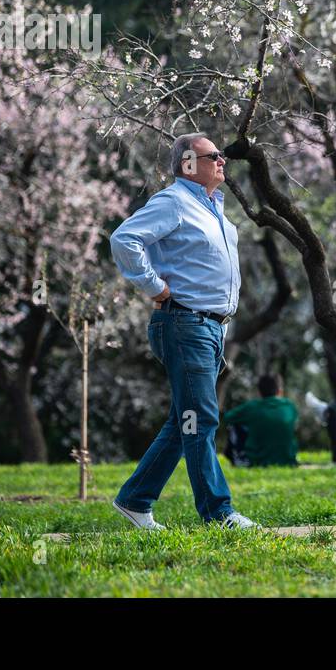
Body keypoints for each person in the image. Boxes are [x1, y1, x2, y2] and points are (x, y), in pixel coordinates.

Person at [108, 133, 257, 530]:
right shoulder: (174, 202)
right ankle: (218, 513)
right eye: (215, 156)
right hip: (183, 322)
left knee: (185, 419)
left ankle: (135, 500)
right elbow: (124, 239)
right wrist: (154, 286)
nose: (223, 160)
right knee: (202, 418)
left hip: (209, 327)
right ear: (189, 163)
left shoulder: (213, 208)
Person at [223, 373, 299, 467]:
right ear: (280, 391)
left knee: (235, 425)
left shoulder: (252, 407)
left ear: (259, 392)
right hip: (288, 461)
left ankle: (241, 459)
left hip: (257, 461)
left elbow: (227, 418)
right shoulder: (290, 406)